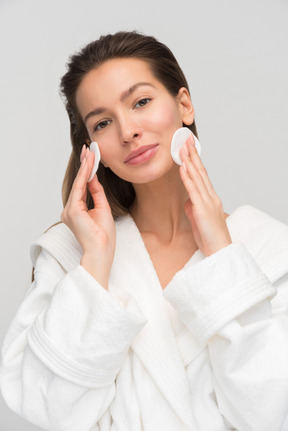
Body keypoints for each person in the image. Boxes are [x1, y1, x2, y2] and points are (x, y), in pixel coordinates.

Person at [1, 31, 288, 431]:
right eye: (102, 122)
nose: (128, 131)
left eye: (141, 102)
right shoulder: (73, 255)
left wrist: (224, 256)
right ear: (92, 147)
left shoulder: (268, 248)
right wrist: (95, 266)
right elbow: (47, 410)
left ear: (183, 105)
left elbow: (271, 413)